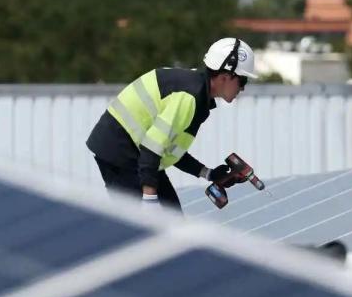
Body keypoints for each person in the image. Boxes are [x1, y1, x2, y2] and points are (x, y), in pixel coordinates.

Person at [86, 38, 258, 211]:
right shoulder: (189, 97)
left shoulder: (197, 92)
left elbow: (169, 148)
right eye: (242, 81)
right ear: (225, 77)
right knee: (145, 227)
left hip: (135, 152)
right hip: (120, 151)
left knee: (172, 219)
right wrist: (149, 199)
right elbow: (152, 147)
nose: (242, 89)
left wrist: (208, 173)